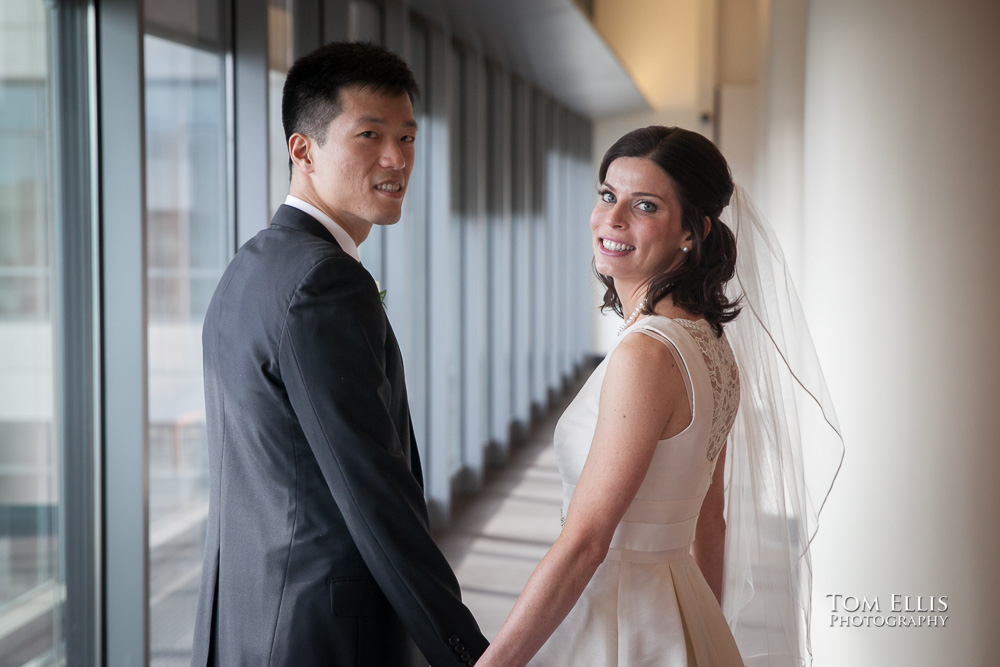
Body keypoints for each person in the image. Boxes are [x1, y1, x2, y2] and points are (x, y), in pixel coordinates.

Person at [478, 126, 842, 666]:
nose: (613, 219)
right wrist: (700, 628)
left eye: (644, 205)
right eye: (607, 195)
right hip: (679, 605)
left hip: (620, 620)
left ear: (691, 233)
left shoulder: (646, 355)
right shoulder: (709, 341)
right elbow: (709, 518)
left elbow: (586, 543)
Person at [190, 42, 487, 667]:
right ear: (303, 149)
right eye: (369, 135)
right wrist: (469, 654)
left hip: (245, 619)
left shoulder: (253, 265)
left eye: (407, 138)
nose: (395, 159)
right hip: (320, 635)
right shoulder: (325, 282)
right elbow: (375, 494)